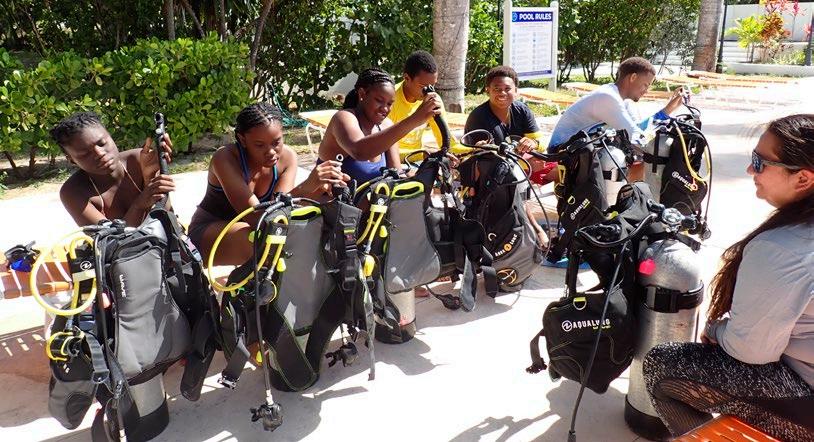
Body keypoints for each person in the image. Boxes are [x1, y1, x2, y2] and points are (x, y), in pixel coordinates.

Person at [643, 114, 814, 441]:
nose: (750, 170)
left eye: (760, 162)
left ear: (803, 179)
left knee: (662, 366)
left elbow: (750, 352)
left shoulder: (782, 248)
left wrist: (716, 330)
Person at [188, 103, 349, 266]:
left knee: (297, 233)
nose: (271, 152)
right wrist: (306, 187)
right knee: (261, 241)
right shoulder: (225, 158)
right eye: (259, 145)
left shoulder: (287, 158)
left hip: (253, 232)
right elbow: (258, 219)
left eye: (276, 142)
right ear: (243, 140)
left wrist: (319, 189)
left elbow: (281, 213)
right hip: (208, 234)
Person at [463, 65, 549, 248]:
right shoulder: (479, 117)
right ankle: (535, 229)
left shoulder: (522, 110)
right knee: (514, 181)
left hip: (518, 165)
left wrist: (533, 143)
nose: (502, 93)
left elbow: (540, 141)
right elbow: (479, 157)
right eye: (497, 89)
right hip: (492, 175)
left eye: (507, 89)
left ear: (516, 91)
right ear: (487, 90)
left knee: (557, 167)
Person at [317, 67, 442, 184]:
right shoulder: (343, 118)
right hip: (329, 199)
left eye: (389, 104)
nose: (385, 109)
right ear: (362, 94)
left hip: (372, 200)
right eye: (379, 100)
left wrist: (430, 170)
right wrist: (415, 119)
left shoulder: (386, 126)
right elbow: (359, 151)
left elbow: (396, 175)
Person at [51, 112, 175, 227]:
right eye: (85, 153)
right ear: (72, 160)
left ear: (111, 137)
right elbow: (111, 240)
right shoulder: (73, 192)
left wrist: (152, 178)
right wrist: (139, 205)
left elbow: (168, 219)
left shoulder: (140, 160)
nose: (100, 153)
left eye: (102, 143)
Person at [548, 57, 685, 157]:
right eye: (645, 85)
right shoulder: (608, 97)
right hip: (561, 153)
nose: (646, 91)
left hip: (579, 150)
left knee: (637, 157)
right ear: (633, 77)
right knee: (639, 159)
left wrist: (667, 111)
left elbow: (637, 130)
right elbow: (637, 139)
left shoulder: (623, 100)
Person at [388, 50, 459, 156]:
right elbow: (383, 149)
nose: (429, 92)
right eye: (424, 86)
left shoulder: (433, 100)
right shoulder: (389, 100)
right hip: (396, 161)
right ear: (407, 78)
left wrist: (474, 148)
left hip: (417, 160)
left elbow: (447, 142)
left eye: (432, 86)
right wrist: (423, 154)